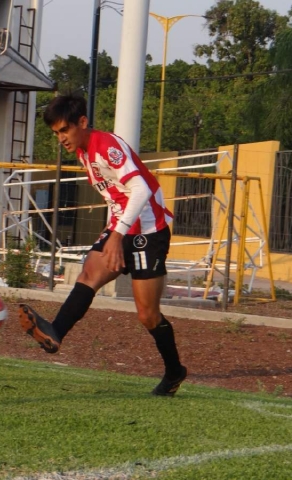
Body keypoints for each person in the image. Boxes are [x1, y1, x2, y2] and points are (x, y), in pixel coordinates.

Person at [19, 95, 187, 396]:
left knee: (147, 315)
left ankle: (175, 371)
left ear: (82, 123)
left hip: (149, 230)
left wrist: (118, 235)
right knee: (88, 275)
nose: (61, 139)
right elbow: (115, 196)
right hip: (121, 226)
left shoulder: (105, 146)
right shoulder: (84, 151)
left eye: (64, 131)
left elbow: (141, 189)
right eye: (56, 133)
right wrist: (113, 231)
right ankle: (56, 331)